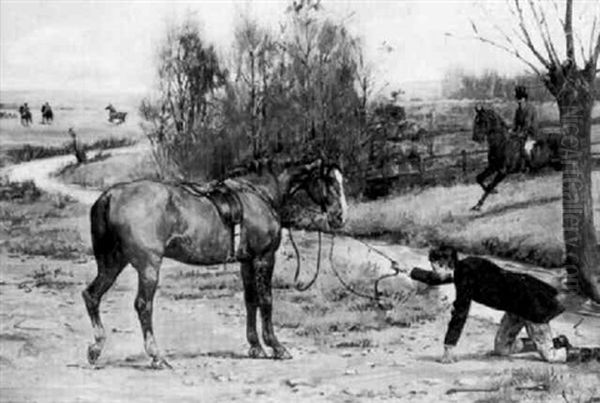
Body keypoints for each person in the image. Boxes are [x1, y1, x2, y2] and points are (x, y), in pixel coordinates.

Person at [415, 245, 599, 364]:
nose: (433, 270)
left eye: (434, 266)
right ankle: (556, 341)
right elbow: (441, 278)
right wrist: (411, 272)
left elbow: (460, 313)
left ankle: (592, 353)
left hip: (530, 305)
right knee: (502, 349)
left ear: (444, 264)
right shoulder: (466, 266)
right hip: (516, 306)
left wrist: (449, 347)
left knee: (551, 357)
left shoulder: (465, 276)